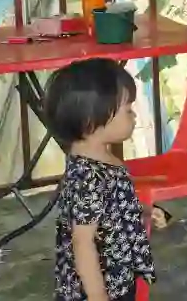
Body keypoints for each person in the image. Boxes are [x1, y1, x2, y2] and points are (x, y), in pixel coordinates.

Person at [44, 58, 154, 301]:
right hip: (102, 287)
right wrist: (98, 296)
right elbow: (82, 243)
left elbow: (109, 206)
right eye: (127, 110)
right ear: (91, 121)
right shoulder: (88, 179)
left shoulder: (96, 156)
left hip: (117, 274)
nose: (134, 116)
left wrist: (140, 211)